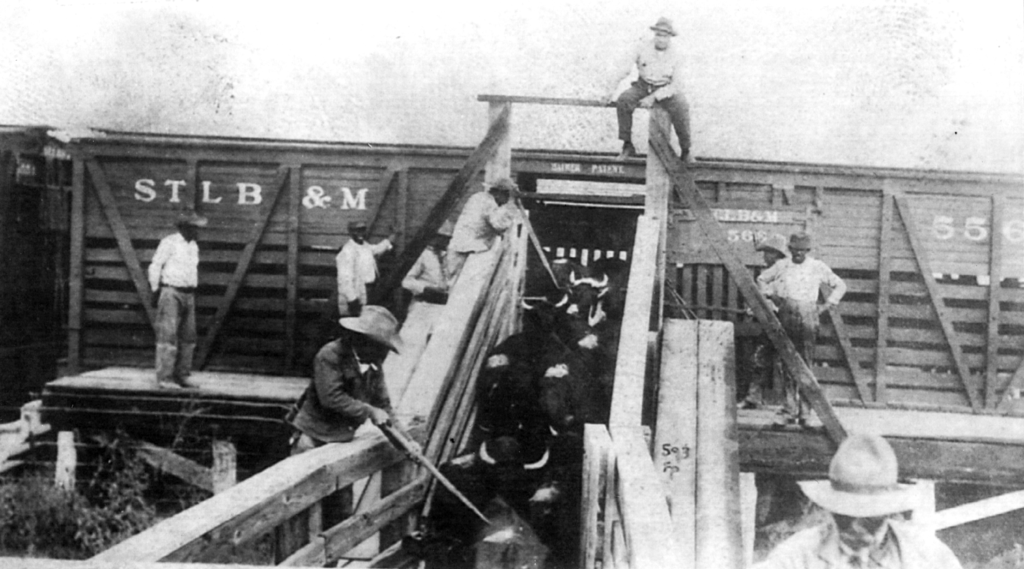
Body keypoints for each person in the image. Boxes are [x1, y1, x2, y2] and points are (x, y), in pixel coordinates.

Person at [288, 305, 418, 525]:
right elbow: (331, 398)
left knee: (340, 512)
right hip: (313, 439)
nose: (384, 353)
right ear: (363, 340)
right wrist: (369, 411)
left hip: (341, 442)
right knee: (301, 510)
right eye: (381, 346)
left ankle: (332, 561)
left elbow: (384, 406)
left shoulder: (373, 364)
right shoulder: (330, 355)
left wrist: (407, 441)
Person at [753, 432, 962, 568]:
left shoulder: (928, 556)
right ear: (830, 509)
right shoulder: (796, 557)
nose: (856, 526)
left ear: (889, 510)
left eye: (869, 517)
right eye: (845, 515)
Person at [757, 232, 846, 426]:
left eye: (802, 251)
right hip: (786, 315)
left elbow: (840, 285)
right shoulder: (783, 266)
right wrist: (772, 296)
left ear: (808, 251)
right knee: (786, 362)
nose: (798, 254)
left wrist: (826, 306)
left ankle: (806, 412)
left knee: (805, 363)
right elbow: (762, 280)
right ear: (789, 250)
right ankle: (788, 409)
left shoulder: (817, 267)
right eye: (794, 250)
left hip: (808, 317)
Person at [604, 17, 692, 163]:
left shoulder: (677, 55)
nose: (661, 39)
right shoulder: (642, 48)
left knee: (682, 105)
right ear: (654, 34)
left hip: (665, 89)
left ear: (670, 37)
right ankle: (627, 145)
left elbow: (676, 84)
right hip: (643, 86)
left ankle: (686, 150)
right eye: (658, 35)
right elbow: (624, 69)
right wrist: (609, 90)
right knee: (624, 100)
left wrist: (654, 97)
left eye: (665, 36)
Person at [382, 223, 453, 394]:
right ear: (434, 237)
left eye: (447, 239)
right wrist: (425, 288)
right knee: (409, 350)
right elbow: (406, 281)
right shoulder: (423, 255)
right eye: (442, 238)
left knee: (434, 352)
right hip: (422, 307)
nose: (445, 242)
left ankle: (420, 391)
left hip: (440, 308)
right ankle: (393, 390)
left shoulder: (449, 256)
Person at [148, 210, 208, 389]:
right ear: (185, 228)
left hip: (189, 294)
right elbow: (156, 265)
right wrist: (154, 289)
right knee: (168, 336)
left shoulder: (193, 246)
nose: (198, 231)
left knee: (188, 337)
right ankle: (165, 379)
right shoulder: (169, 242)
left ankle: (182, 376)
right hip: (171, 292)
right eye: (195, 227)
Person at [740, 233, 789, 409]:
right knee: (759, 359)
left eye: (770, 253)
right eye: (766, 253)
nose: (766, 256)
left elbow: (780, 300)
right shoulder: (768, 273)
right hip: (766, 322)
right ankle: (754, 397)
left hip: (779, 322)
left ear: (778, 255)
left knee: (781, 362)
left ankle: (787, 402)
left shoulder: (784, 274)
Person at [446, 177, 519, 281]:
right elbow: (499, 225)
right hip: (469, 251)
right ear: (499, 193)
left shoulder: (478, 197)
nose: (506, 200)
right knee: (465, 288)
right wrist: (511, 205)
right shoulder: (489, 203)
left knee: (454, 285)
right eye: (507, 196)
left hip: (459, 248)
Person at [336, 220, 394, 317]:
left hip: (368, 291)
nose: (360, 234)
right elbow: (344, 280)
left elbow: (376, 249)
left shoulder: (365, 246)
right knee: (354, 323)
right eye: (356, 231)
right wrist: (352, 300)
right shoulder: (347, 251)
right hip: (356, 294)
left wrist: (391, 238)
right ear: (350, 232)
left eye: (362, 230)